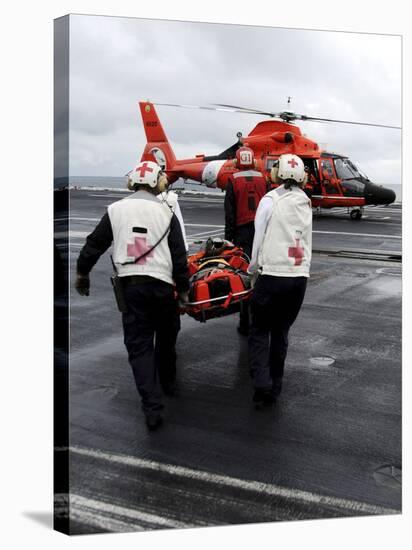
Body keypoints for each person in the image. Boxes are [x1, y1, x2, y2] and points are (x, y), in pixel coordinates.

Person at [75, 161, 189, 431]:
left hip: (131, 288)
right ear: (156, 182)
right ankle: (169, 383)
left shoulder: (115, 210)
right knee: (166, 337)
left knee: (139, 347)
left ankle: (152, 408)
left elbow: (94, 244)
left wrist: (82, 273)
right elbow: (179, 255)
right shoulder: (166, 211)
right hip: (162, 287)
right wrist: (183, 290)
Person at [247, 154, 312, 408]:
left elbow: (258, 237)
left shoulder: (270, 200)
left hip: (272, 274)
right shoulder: (305, 202)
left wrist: (253, 269)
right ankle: (276, 386)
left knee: (260, 330)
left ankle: (262, 384)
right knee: (281, 332)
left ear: (277, 173)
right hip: (298, 277)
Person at [224, 146, 267, 335]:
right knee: (261, 273)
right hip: (261, 231)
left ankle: (244, 322)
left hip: (242, 232)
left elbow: (229, 214)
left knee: (243, 276)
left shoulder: (233, 180)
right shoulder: (263, 179)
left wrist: (228, 241)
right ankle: (261, 317)